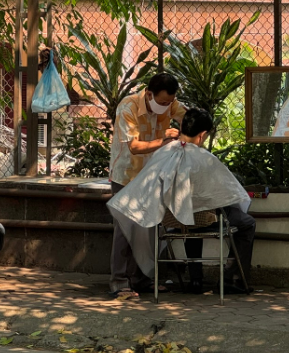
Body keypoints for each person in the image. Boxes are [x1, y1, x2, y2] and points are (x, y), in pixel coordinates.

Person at [107, 108, 255, 295]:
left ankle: (195, 280)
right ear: (202, 136)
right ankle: (231, 279)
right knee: (244, 223)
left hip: (170, 219)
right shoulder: (206, 160)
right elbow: (229, 193)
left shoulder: (161, 154)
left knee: (190, 216)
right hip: (201, 218)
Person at [108, 73, 186, 299]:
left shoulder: (169, 104)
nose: (166, 107)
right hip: (126, 176)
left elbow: (186, 116)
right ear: (149, 94)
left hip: (152, 175)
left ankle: (141, 280)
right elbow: (133, 147)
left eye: (169, 103)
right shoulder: (128, 107)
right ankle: (119, 282)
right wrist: (163, 141)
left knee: (148, 229)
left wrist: (192, 128)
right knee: (125, 229)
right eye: (162, 103)